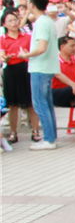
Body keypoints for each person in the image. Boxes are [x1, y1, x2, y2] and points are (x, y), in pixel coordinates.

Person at [20, 0, 60, 150]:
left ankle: (49, 140)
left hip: (40, 68)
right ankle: (51, 137)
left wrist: (26, 55)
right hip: (47, 67)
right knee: (47, 104)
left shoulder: (42, 22)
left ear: (32, 4)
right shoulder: (47, 21)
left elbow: (41, 47)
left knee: (40, 104)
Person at [1, 8, 39, 143]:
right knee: (12, 105)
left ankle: (35, 131)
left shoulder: (28, 37)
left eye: (15, 19)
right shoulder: (2, 39)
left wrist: (27, 55)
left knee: (30, 102)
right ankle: (13, 132)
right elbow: (2, 56)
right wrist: (5, 59)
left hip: (26, 69)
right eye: (10, 21)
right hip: (11, 70)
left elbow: (34, 51)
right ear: (4, 24)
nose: (13, 23)